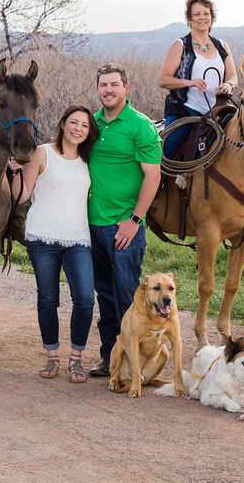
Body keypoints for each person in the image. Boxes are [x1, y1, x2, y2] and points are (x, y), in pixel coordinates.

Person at [9, 105, 99, 383]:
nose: (78, 129)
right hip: (42, 237)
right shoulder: (41, 153)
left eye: (84, 125)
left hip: (78, 238)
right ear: (62, 123)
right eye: (74, 123)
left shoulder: (89, 159)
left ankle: (76, 359)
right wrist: (14, 171)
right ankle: (52, 356)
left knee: (85, 298)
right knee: (48, 298)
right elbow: (21, 196)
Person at [85, 63, 162, 377]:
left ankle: (136, 362)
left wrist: (134, 220)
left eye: (114, 85)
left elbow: (152, 176)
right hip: (92, 225)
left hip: (124, 227)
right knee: (103, 295)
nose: (108, 90)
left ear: (126, 89)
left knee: (129, 296)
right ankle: (109, 357)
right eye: (103, 85)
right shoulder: (91, 124)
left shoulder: (141, 126)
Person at [157, 0, 238, 161]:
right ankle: (159, 183)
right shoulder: (180, 45)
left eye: (206, 13)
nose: (202, 17)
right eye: (197, 14)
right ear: (189, 19)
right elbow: (163, 80)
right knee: (167, 151)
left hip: (218, 112)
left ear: (212, 18)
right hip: (186, 111)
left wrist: (229, 85)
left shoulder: (222, 46)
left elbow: (233, 76)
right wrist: (189, 82)